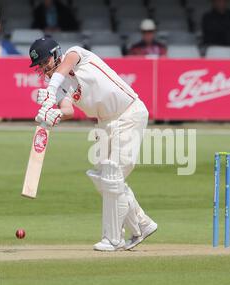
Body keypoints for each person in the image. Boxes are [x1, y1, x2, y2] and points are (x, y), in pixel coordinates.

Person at [28, 38, 158, 251]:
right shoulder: (59, 86)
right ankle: (142, 224)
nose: (43, 68)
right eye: (39, 66)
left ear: (55, 54)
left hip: (129, 113)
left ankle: (113, 239)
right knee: (103, 178)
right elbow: (68, 110)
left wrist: (50, 91)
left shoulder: (76, 54)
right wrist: (55, 113)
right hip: (105, 123)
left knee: (112, 175)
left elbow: (64, 68)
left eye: (45, 62)